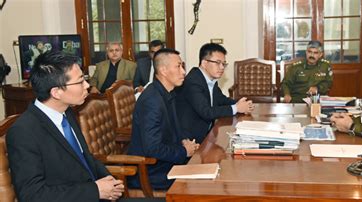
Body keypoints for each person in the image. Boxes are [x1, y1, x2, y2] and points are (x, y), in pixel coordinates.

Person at [6, 51, 124, 201]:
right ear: (56, 92)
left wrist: (110, 181)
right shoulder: (23, 132)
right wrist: (95, 191)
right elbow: (32, 195)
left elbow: (85, 157)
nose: (87, 85)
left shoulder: (67, 111)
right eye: (80, 81)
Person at [127, 48, 200, 190]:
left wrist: (184, 141)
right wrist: (184, 152)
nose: (184, 72)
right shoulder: (152, 101)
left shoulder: (166, 92)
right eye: (178, 66)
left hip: (165, 162)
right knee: (200, 185)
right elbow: (152, 148)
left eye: (182, 66)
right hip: (150, 172)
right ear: (163, 70)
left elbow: (173, 127)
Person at [175, 43, 254, 144]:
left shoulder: (210, 80)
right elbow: (206, 112)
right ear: (204, 63)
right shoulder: (193, 81)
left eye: (224, 64)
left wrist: (241, 103)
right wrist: (237, 108)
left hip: (208, 135)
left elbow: (221, 100)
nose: (222, 67)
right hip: (191, 140)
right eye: (217, 63)